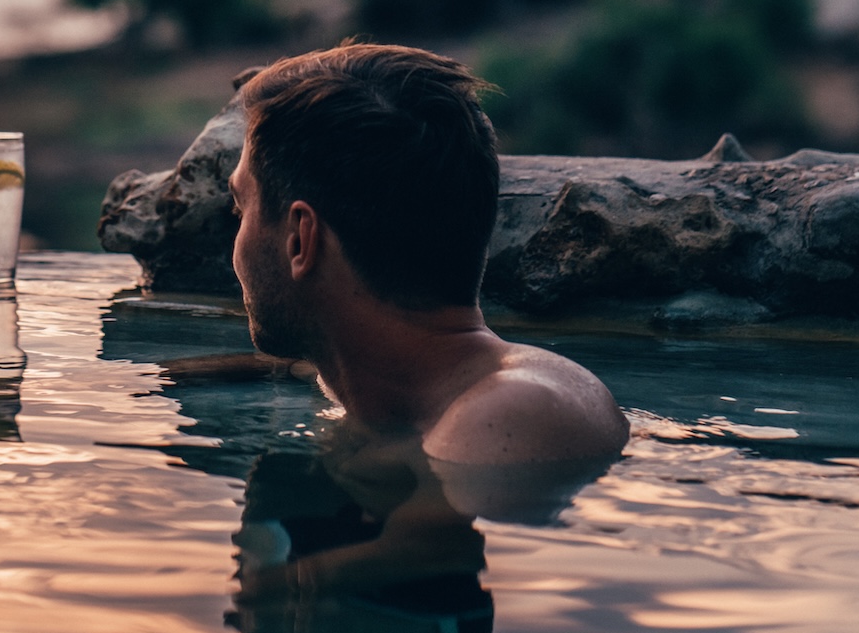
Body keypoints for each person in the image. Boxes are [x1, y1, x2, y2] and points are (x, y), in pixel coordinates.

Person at [228, 42, 628, 468]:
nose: (234, 243)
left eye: (239, 208)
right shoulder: (405, 398)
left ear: (299, 239)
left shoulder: (512, 413)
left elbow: (434, 535)